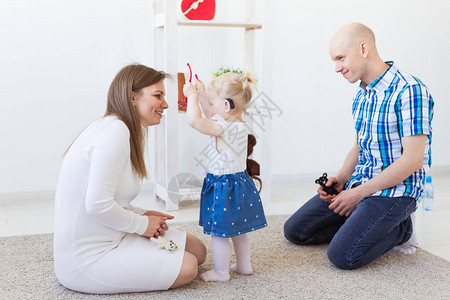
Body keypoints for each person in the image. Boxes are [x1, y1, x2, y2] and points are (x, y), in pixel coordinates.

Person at [284, 23, 434, 270]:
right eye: (334, 60)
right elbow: (359, 145)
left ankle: (401, 229)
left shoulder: (410, 90)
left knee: (344, 256)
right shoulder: (362, 93)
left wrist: (358, 194)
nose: (337, 68)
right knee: (296, 231)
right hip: (360, 182)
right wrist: (342, 180)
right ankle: (363, 223)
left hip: (397, 192)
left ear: (363, 48)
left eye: (341, 58)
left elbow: (413, 160)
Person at [54, 64, 207, 294]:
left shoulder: (121, 128)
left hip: (112, 234)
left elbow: (112, 198)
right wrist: (142, 225)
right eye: (158, 96)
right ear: (132, 97)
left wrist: (142, 213)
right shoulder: (114, 132)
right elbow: (96, 206)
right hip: (87, 259)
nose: (165, 104)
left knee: (199, 250)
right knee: (188, 267)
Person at [183, 71, 267, 281]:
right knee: (239, 230)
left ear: (227, 106)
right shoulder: (237, 125)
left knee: (219, 232)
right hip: (239, 183)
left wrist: (191, 98)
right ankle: (244, 265)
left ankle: (221, 272)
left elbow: (195, 121)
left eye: (212, 102)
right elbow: (211, 114)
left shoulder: (223, 128)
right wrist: (202, 94)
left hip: (223, 187)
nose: (208, 107)